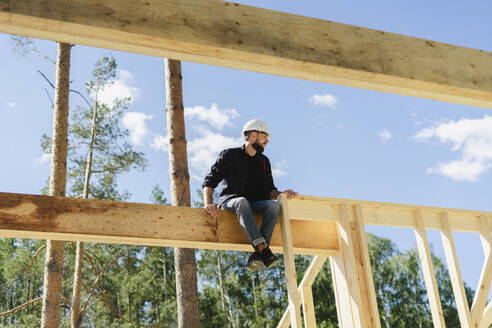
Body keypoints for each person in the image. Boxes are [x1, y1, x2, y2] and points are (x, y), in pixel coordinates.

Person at [202, 119, 297, 272]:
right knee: (241, 201)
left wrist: (282, 194)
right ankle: (263, 249)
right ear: (253, 136)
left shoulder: (264, 162)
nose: (267, 141)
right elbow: (209, 181)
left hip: (255, 204)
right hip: (231, 202)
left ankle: (258, 254)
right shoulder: (229, 155)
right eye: (264, 137)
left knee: (273, 206)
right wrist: (208, 204)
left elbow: (271, 191)